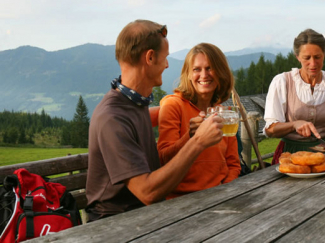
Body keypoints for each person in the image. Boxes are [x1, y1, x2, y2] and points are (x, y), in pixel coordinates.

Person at [86, 20, 225, 221]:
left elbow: (151, 160)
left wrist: (190, 135)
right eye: (165, 57)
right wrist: (198, 142)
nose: (167, 64)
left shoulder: (135, 102)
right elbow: (147, 193)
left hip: (145, 216)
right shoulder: (112, 118)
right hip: (116, 224)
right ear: (150, 57)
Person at [157, 43, 241, 199]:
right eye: (197, 69)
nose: (204, 75)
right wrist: (191, 137)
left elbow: (233, 163)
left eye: (210, 68)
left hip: (219, 195)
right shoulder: (173, 105)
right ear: (188, 74)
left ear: (221, 72)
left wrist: (225, 192)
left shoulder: (223, 113)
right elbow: (163, 159)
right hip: (180, 200)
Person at [264, 29, 325, 164]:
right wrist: (294, 124)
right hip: (289, 155)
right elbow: (270, 130)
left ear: (324, 55)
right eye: (307, 58)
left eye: (317, 57)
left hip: (324, 154)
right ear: (297, 57)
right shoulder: (282, 82)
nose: (313, 63)